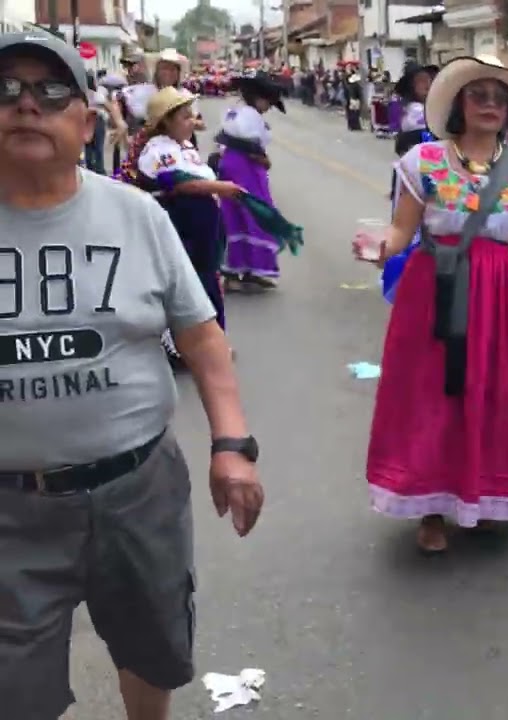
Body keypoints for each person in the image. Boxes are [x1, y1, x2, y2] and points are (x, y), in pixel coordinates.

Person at [0, 33, 264, 720]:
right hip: (8, 510)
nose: (26, 105)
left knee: (151, 647)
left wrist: (232, 444)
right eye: (6, 90)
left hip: (137, 487)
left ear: (87, 124)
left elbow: (200, 334)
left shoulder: (137, 215)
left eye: (50, 91)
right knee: (12, 684)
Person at [355, 55, 508, 553]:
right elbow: (402, 230)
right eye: (478, 95)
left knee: (498, 392)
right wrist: (380, 247)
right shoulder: (422, 162)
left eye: (498, 99)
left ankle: (485, 494)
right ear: (458, 105)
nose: (489, 105)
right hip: (437, 290)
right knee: (432, 394)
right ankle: (430, 508)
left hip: (506, 294)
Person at [127, 87, 242, 368]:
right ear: (166, 121)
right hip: (185, 225)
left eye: (192, 115)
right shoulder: (158, 150)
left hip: (202, 225)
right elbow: (179, 183)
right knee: (192, 286)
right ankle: (193, 349)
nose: (193, 121)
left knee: (207, 281)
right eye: (185, 117)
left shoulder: (184, 146)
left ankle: (212, 344)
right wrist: (221, 187)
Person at [218, 73, 287, 290]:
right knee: (256, 212)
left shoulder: (235, 112)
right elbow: (251, 147)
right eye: (268, 103)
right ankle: (244, 270)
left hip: (231, 165)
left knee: (235, 214)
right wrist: (264, 160)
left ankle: (244, 269)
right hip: (245, 168)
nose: (268, 108)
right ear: (258, 98)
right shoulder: (249, 116)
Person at [380, 62, 439, 304]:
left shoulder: (431, 109)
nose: (427, 85)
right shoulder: (416, 111)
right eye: (421, 81)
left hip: (434, 175)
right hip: (417, 175)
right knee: (412, 226)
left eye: (430, 80)